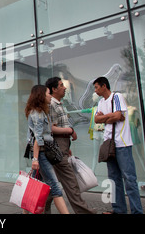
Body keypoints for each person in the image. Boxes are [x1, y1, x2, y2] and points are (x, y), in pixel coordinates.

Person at [45, 77, 95, 214]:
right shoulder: (52, 105)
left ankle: (41, 208)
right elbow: (51, 128)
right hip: (58, 146)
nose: (65, 87)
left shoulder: (58, 104)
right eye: (61, 85)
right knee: (70, 181)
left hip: (62, 146)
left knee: (53, 185)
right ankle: (84, 212)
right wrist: (70, 130)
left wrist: (67, 147)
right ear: (54, 89)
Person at [93, 77, 143, 214]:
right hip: (109, 144)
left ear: (104, 86)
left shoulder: (117, 96)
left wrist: (109, 117)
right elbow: (97, 119)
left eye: (97, 87)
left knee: (129, 179)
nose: (95, 91)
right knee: (114, 180)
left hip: (122, 143)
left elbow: (117, 116)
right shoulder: (101, 102)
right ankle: (118, 210)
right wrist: (112, 116)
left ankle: (137, 211)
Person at [25, 85, 70, 214]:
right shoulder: (38, 114)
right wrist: (35, 159)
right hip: (42, 153)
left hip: (42, 152)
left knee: (33, 186)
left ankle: (26, 211)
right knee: (55, 186)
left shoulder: (40, 112)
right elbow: (37, 138)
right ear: (41, 96)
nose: (50, 96)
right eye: (48, 93)